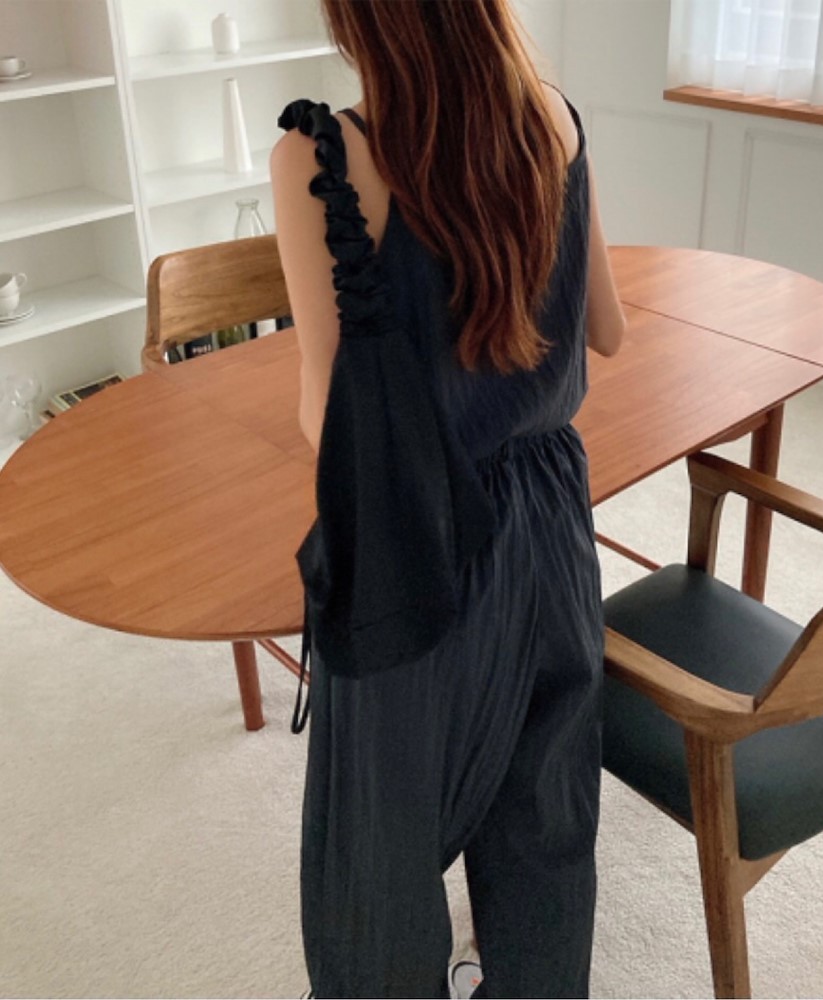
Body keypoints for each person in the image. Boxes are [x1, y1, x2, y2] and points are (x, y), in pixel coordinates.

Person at [270, 1, 625, 996]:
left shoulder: (323, 155)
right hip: (553, 518)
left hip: (416, 536)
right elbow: (607, 330)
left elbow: (329, 420)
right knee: (546, 817)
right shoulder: (554, 119)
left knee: (377, 852)